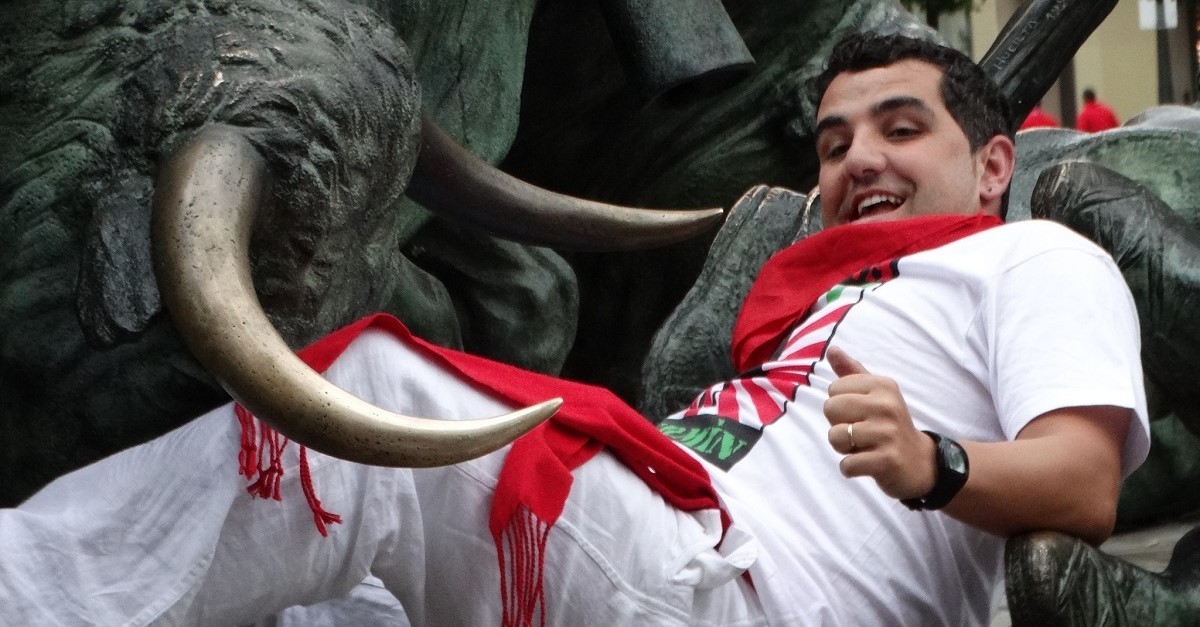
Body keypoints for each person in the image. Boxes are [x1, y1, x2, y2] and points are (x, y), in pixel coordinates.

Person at [0, 32, 1150, 626]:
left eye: (902, 129)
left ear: (995, 164)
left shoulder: (1037, 256)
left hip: (758, 595)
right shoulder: (808, 300)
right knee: (313, 603)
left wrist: (933, 461)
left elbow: (1084, 483)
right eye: (836, 142)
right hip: (666, 561)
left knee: (380, 404)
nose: (861, 160)